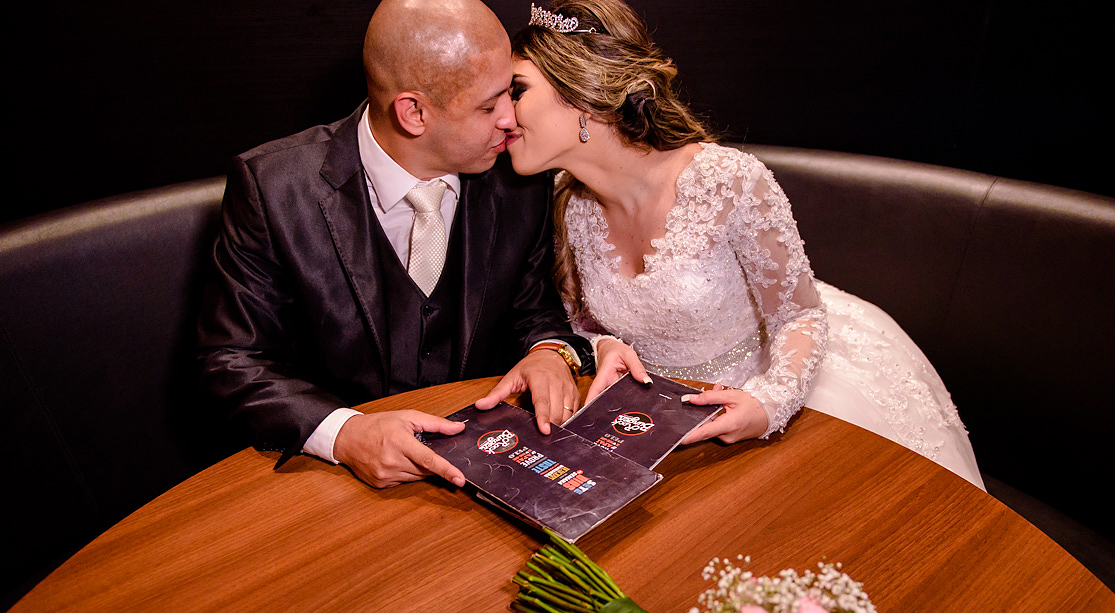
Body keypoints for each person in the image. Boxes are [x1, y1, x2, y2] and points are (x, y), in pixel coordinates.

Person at [505, 0, 985, 488]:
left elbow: (799, 316)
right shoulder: (565, 202)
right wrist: (605, 344)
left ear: (582, 95)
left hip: (771, 385)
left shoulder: (729, 182)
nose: (502, 112)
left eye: (516, 91)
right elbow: (581, 320)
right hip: (658, 415)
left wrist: (769, 402)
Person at [198, 0, 596, 490]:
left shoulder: (520, 179)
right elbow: (232, 359)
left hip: (486, 467)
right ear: (413, 112)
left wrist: (550, 350)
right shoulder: (274, 189)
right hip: (331, 484)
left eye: (510, 94)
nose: (512, 121)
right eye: (489, 105)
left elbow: (532, 308)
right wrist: (345, 434)